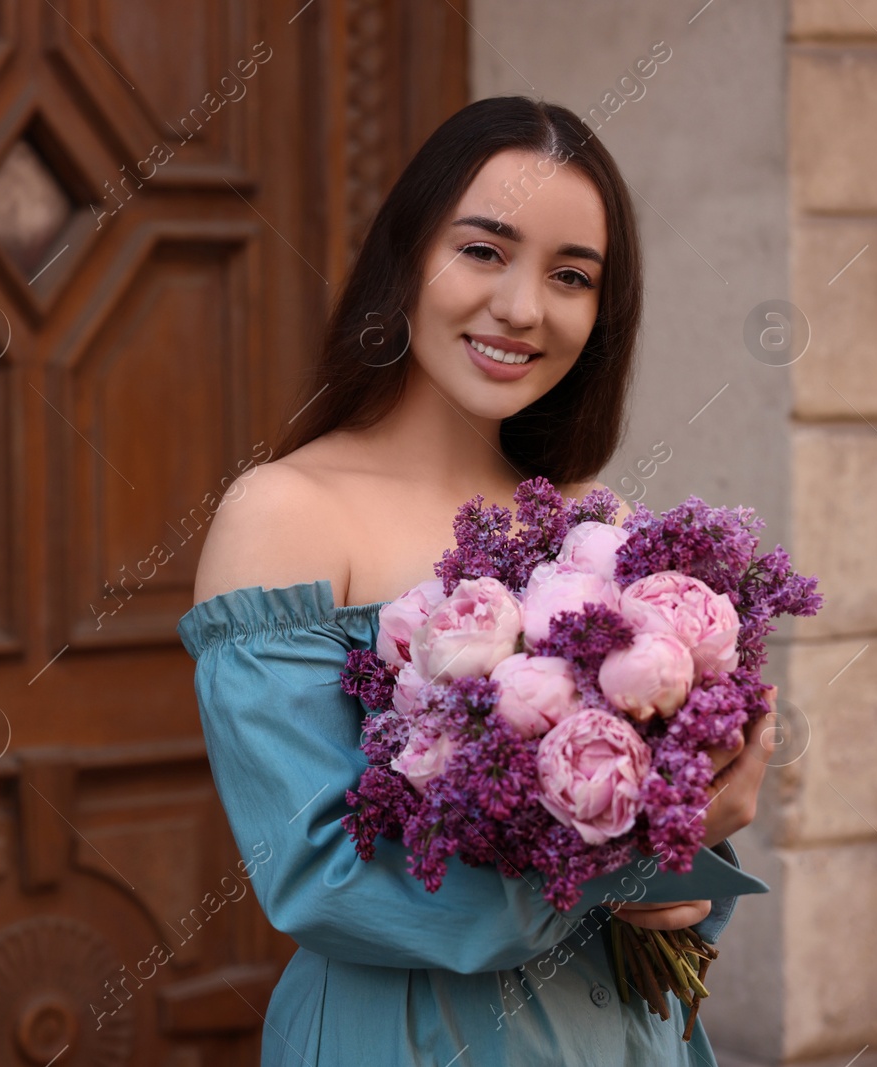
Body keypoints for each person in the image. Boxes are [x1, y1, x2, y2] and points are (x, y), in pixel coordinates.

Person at [176, 96, 777, 1065]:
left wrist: (688, 853)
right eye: (484, 251)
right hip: (414, 1036)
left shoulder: (597, 525)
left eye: (571, 275)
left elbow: (668, 892)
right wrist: (615, 857)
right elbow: (320, 872)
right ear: (406, 256)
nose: (522, 307)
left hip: (626, 1031)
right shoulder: (284, 513)